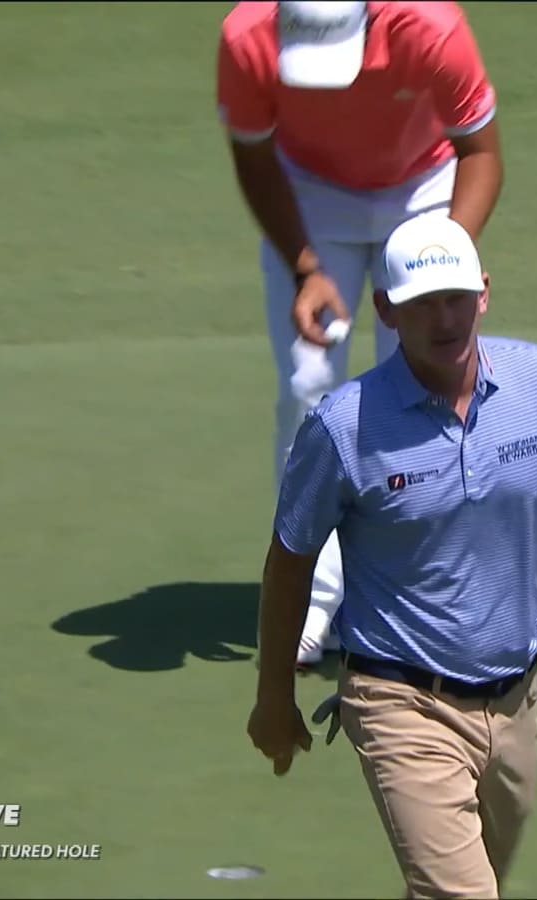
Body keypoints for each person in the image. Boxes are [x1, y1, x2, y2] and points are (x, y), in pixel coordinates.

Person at [247, 215, 537, 898]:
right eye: (421, 304)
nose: (445, 318)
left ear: (484, 293)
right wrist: (273, 696)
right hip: (400, 700)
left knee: (469, 883)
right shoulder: (344, 426)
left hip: (514, 699)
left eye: (456, 297)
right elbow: (290, 560)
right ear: (385, 310)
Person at [216, 0, 505, 666]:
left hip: (423, 187)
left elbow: (481, 151)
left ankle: (409, 595)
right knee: (308, 387)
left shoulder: (430, 27)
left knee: (422, 388)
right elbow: (255, 158)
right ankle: (312, 606)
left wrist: (445, 264)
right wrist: (305, 268)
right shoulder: (245, 38)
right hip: (310, 195)